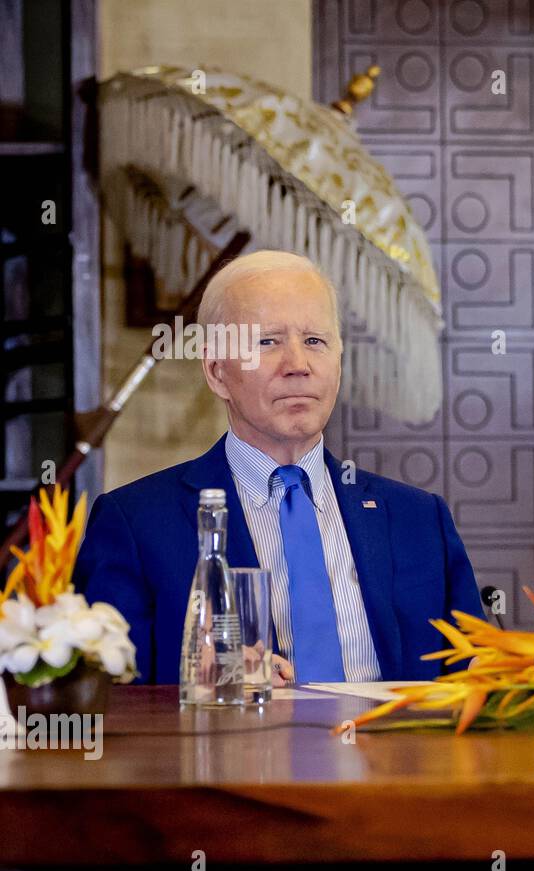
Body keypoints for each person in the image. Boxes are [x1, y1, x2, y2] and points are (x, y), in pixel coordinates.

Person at [73, 250, 483, 685]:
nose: (298, 366)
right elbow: (100, 698)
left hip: (393, 752)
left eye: (315, 341)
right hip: (230, 751)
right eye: (267, 342)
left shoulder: (419, 519)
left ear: (338, 362)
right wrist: (208, 691)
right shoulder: (137, 524)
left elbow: (480, 680)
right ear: (216, 371)